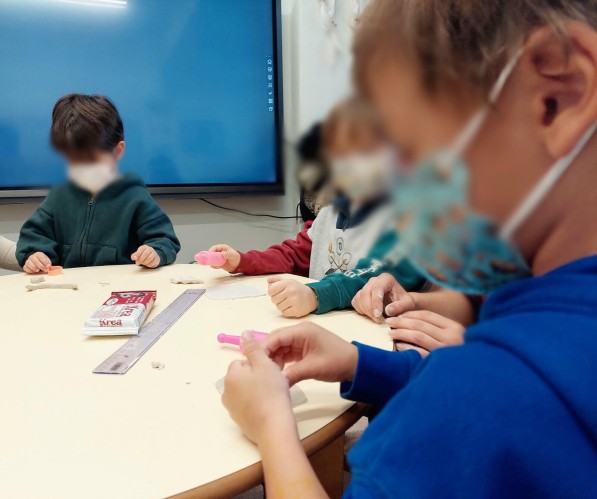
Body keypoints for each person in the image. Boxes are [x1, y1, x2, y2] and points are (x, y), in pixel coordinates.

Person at [221, 0, 597, 497]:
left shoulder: (475, 399)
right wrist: (358, 362)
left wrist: (271, 424)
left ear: (558, 95)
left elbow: (485, 395)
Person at [210, 96, 425, 317]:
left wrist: (315, 295)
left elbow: (377, 273)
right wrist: (242, 261)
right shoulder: (331, 212)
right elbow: (294, 255)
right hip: (323, 323)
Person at [16, 94, 180, 273]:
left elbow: (164, 239)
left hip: (120, 286)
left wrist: (154, 252)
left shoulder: (133, 194)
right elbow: (34, 236)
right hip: (71, 286)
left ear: (117, 151)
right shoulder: (60, 195)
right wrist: (35, 255)